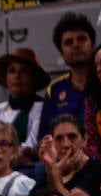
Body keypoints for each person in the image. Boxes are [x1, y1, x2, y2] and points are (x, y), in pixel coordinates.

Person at [37, 114, 101, 196]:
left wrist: (55, 173)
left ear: (85, 139)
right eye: (59, 139)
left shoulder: (96, 168)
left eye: (72, 137)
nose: (66, 144)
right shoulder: (47, 171)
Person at [38, 12, 96, 140]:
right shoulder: (54, 90)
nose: (76, 45)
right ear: (62, 53)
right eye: (69, 42)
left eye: (81, 39)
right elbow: (44, 136)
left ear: (93, 45)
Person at [0, 47, 50, 157]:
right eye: (12, 71)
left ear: (33, 78)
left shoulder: (41, 107)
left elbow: (30, 145)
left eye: (24, 71)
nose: (17, 76)